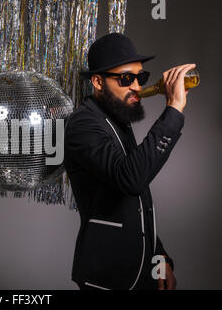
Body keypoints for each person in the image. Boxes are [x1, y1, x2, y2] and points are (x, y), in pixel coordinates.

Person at [64, 33, 195, 290]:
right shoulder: (83, 124)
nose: (136, 86)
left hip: (141, 273)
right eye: (126, 78)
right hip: (107, 277)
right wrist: (174, 109)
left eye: (140, 77)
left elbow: (138, 206)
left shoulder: (117, 120)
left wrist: (161, 258)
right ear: (98, 81)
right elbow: (131, 179)